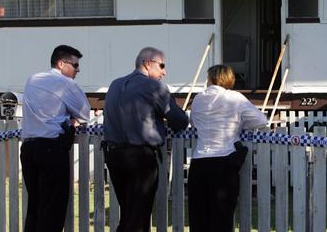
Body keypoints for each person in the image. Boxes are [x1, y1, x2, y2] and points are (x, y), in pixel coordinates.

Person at [103, 47, 189, 232]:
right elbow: (179, 120)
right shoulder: (153, 86)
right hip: (140, 158)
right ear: (148, 64)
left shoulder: (115, 84)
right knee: (138, 217)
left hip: (114, 155)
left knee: (129, 213)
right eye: (162, 65)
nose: (164, 72)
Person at [188, 64, 267, 232]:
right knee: (222, 220)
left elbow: (194, 122)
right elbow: (261, 121)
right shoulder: (235, 98)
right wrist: (240, 122)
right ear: (229, 79)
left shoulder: (198, 98)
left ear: (211, 79)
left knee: (199, 220)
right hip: (223, 163)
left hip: (199, 163)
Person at [20, 44, 90, 232]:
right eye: (75, 65)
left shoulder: (32, 80)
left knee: (35, 207)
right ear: (61, 63)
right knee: (52, 209)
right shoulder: (67, 84)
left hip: (28, 149)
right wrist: (70, 120)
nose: (78, 70)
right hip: (51, 148)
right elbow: (84, 114)